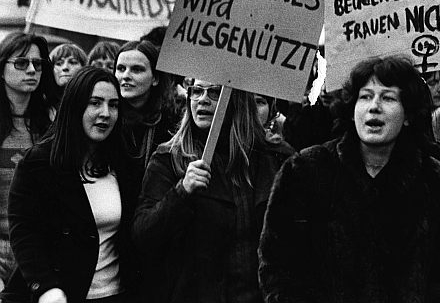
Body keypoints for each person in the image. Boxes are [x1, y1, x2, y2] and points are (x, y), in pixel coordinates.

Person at [259, 56, 440, 303]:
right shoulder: (305, 171)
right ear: (351, 109)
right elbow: (278, 267)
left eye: (388, 98)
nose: (374, 107)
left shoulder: (437, 182)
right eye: (365, 96)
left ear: (408, 115)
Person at [132, 82, 293, 303]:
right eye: (196, 92)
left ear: (237, 100)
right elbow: (144, 235)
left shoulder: (274, 157)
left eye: (214, 92)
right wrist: (182, 191)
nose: (203, 99)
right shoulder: (169, 158)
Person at [1, 67, 140, 303]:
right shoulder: (38, 163)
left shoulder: (125, 163)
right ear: (75, 107)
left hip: (115, 293)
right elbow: (24, 231)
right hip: (58, 295)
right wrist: (46, 288)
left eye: (113, 105)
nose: (105, 113)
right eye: (95, 103)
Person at [0, 32, 54, 286]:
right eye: (21, 63)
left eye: (38, 63)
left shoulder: (53, 124)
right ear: (2, 69)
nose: (32, 69)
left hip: (40, 256)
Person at [114, 40, 180, 171]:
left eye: (137, 70)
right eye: (121, 69)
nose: (126, 76)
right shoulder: (108, 117)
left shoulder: (172, 123)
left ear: (155, 78)